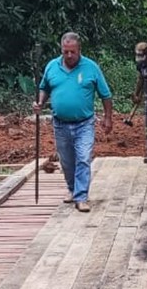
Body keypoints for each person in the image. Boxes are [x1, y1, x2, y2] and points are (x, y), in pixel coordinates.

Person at [33, 32, 113, 212]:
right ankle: (71, 188)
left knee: (83, 158)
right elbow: (44, 88)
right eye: (65, 51)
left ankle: (81, 196)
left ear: (79, 50)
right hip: (60, 124)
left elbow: (106, 95)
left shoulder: (91, 67)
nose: (69, 55)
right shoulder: (52, 67)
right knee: (67, 162)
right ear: (61, 49)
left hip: (84, 123)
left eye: (72, 52)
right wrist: (40, 103)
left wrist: (108, 118)